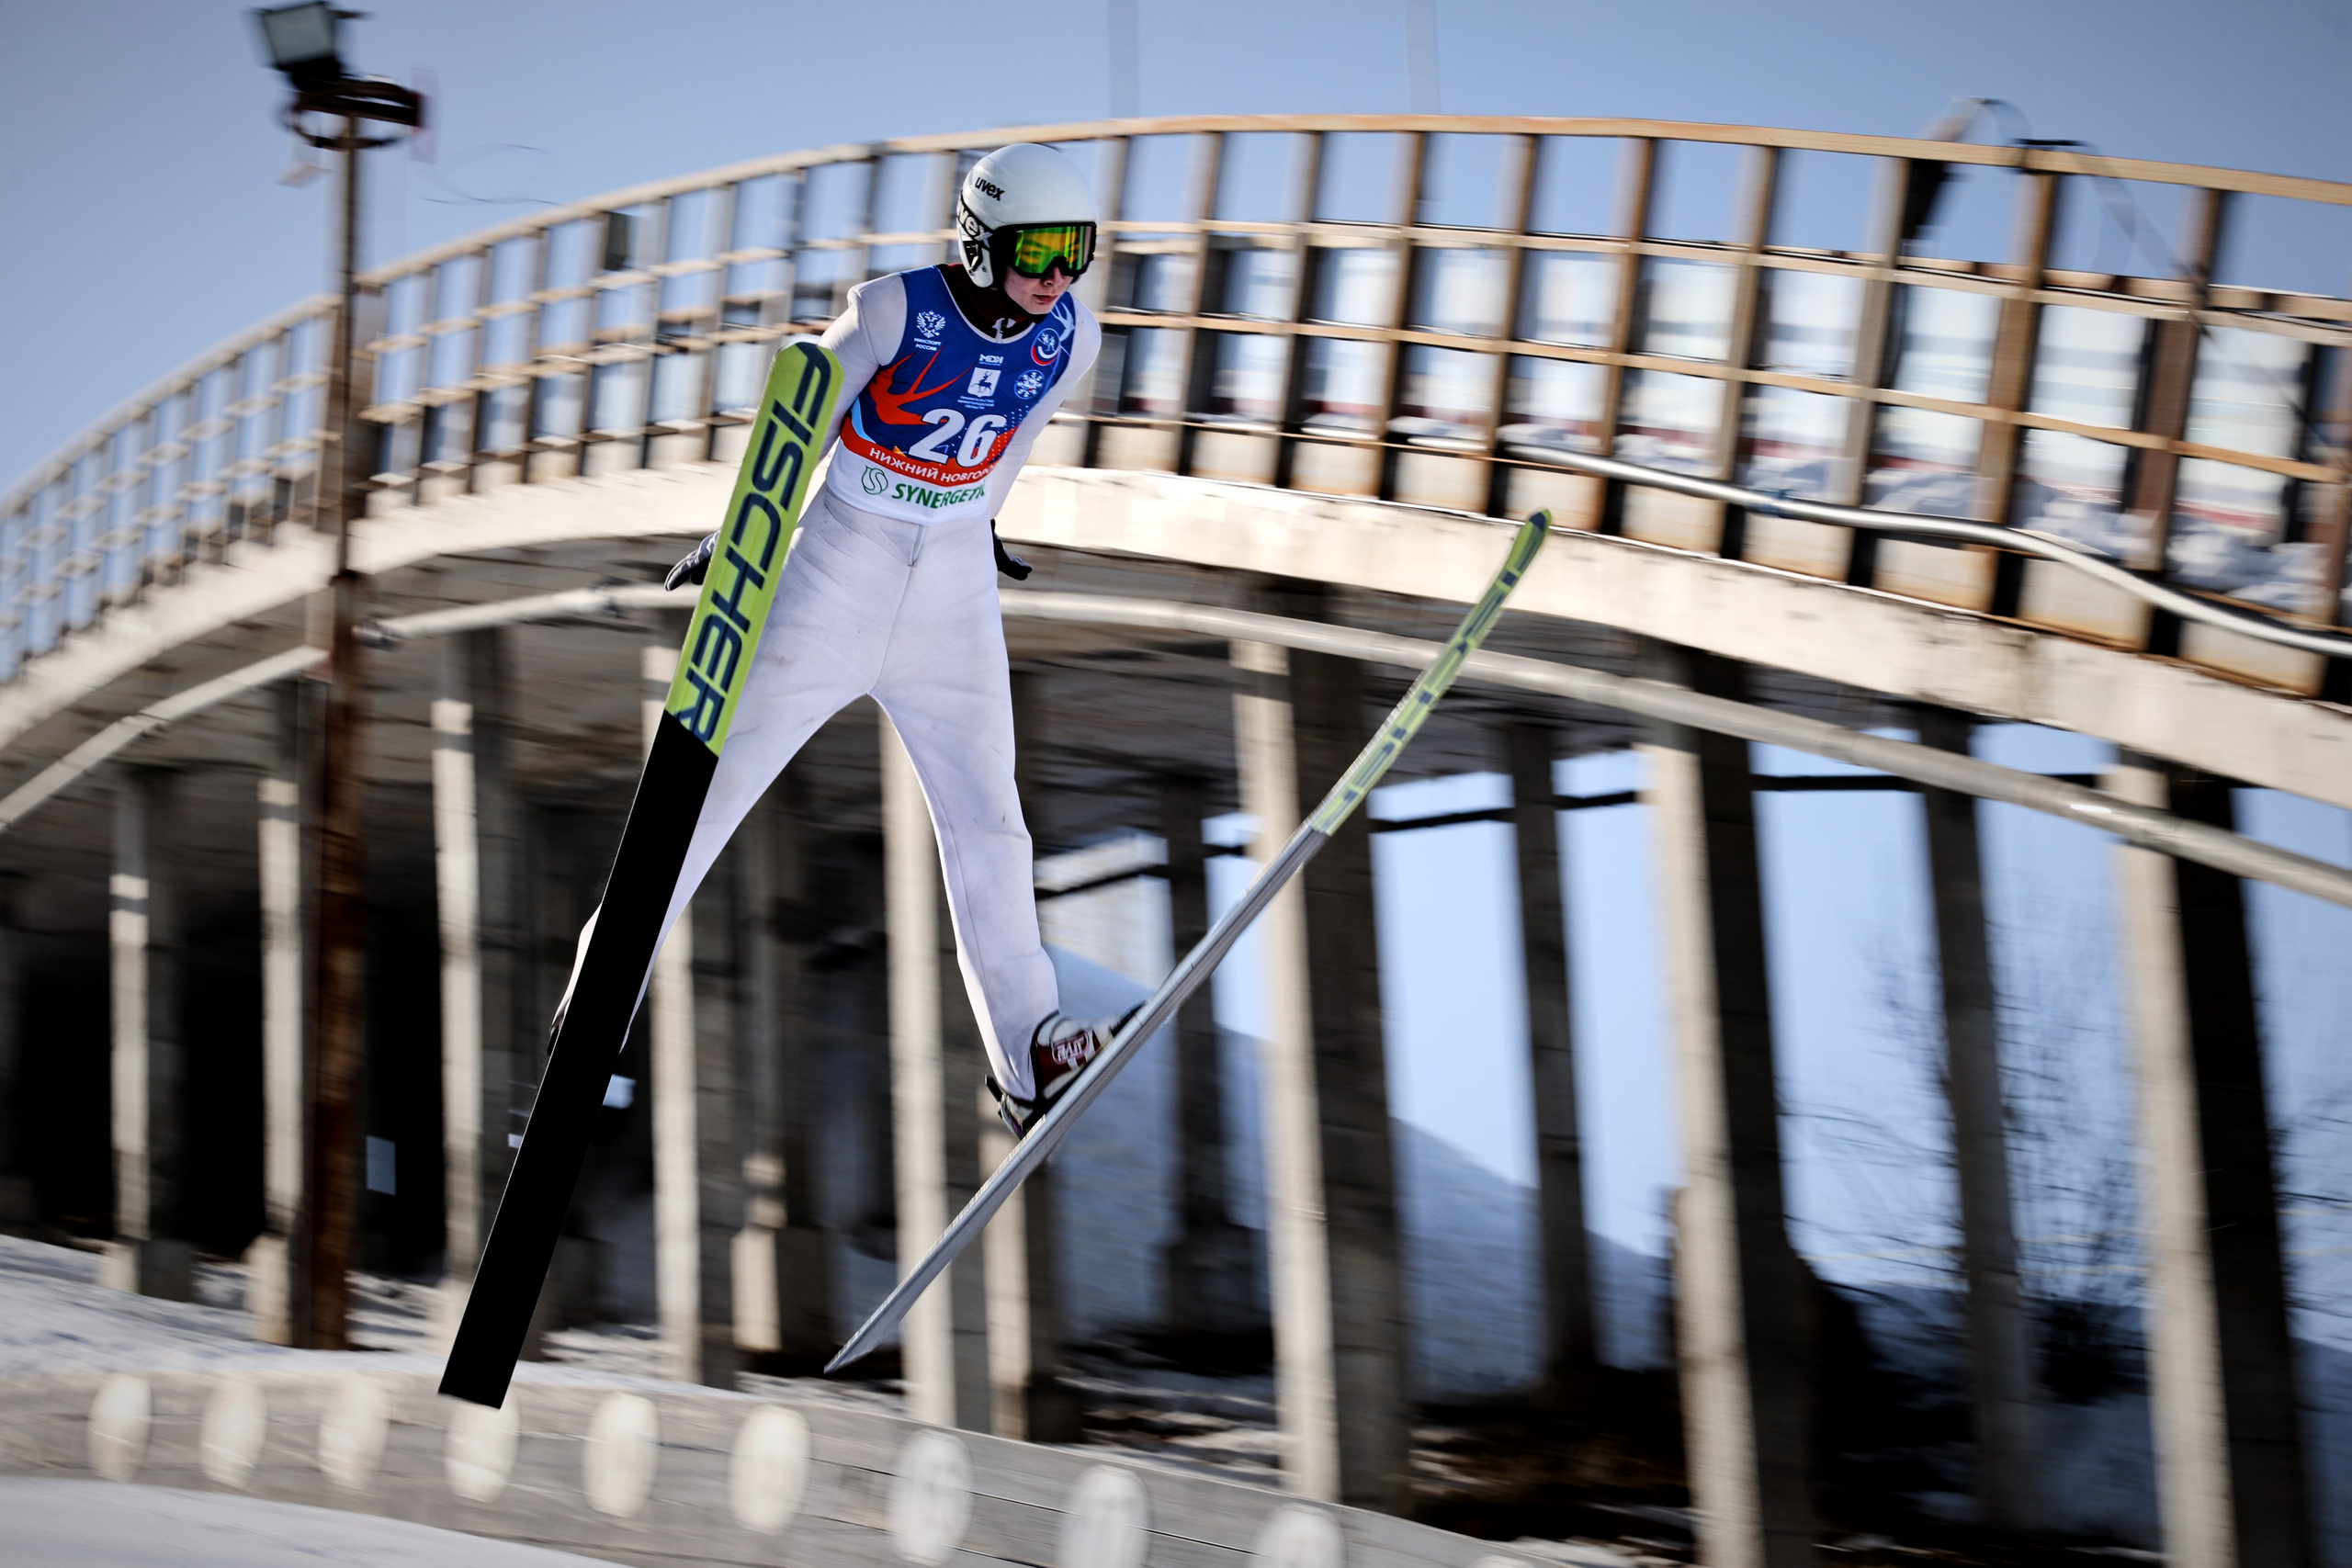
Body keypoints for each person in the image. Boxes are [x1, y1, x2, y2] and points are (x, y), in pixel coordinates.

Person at [653, 142, 1111, 1136]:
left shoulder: (1071, 337)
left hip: (951, 586)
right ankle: (607, 981)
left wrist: (986, 522)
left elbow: (1016, 436)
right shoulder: (894, 311)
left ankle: (1029, 1049)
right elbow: (803, 422)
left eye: (1075, 251)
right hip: (839, 567)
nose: (1057, 277)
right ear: (981, 243)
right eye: (1036, 252)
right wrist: (737, 539)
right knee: (716, 785)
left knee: (990, 817)